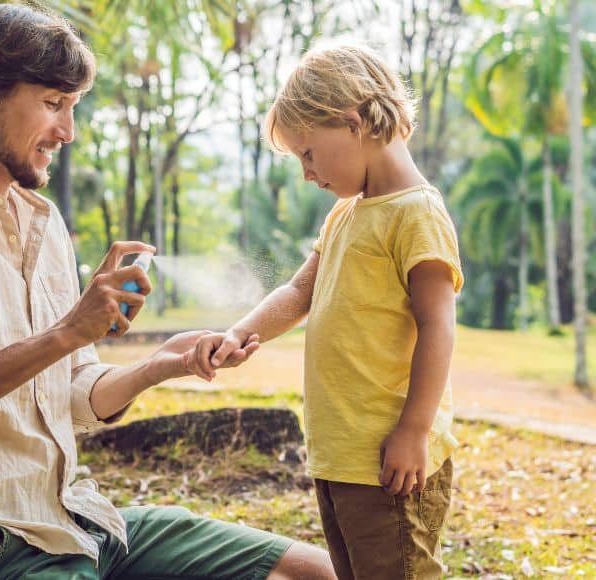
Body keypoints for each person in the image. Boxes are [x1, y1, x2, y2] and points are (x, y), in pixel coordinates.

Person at [0, 5, 335, 579]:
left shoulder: (44, 222)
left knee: (307, 571)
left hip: (77, 520)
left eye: (71, 108)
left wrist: (157, 366)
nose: (67, 132)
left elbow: (72, 393)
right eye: (52, 104)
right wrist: (65, 334)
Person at [195, 44, 464, 579]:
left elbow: (439, 327)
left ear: (353, 123)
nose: (307, 174)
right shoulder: (347, 213)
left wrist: (414, 429)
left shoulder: (417, 214)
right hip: (342, 456)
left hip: (391, 460)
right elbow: (299, 292)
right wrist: (241, 332)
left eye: (309, 153)